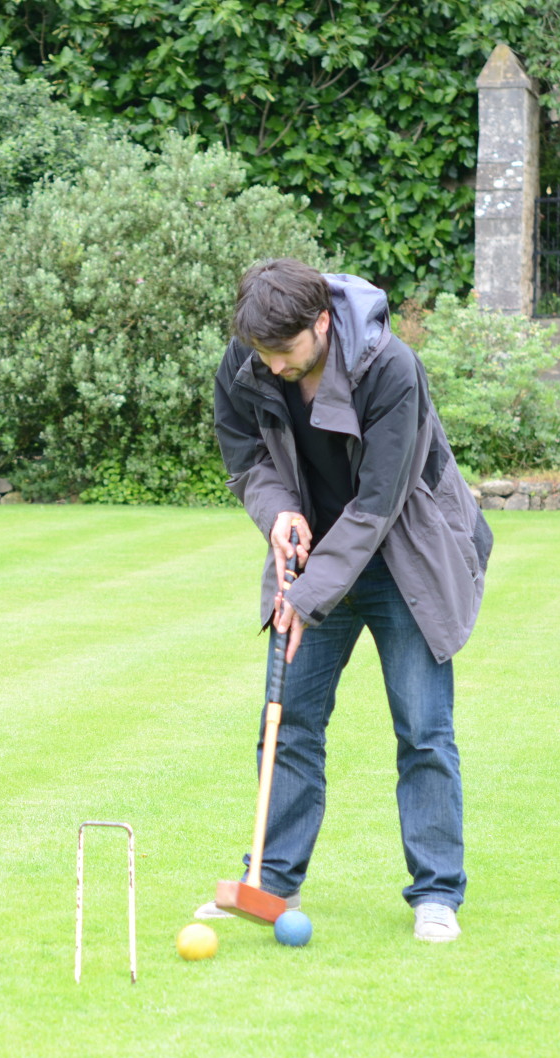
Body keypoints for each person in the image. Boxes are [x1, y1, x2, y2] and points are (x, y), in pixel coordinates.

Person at [201, 258, 493, 941]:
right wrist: (275, 512)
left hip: (404, 557)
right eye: (260, 353)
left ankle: (435, 894)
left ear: (322, 323)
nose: (270, 367)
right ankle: (267, 883)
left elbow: (378, 504)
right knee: (287, 720)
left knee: (422, 727)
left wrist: (302, 598)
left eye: (284, 353)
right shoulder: (247, 361)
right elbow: (244, 458)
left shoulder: (389, 369)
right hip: (310, 558)